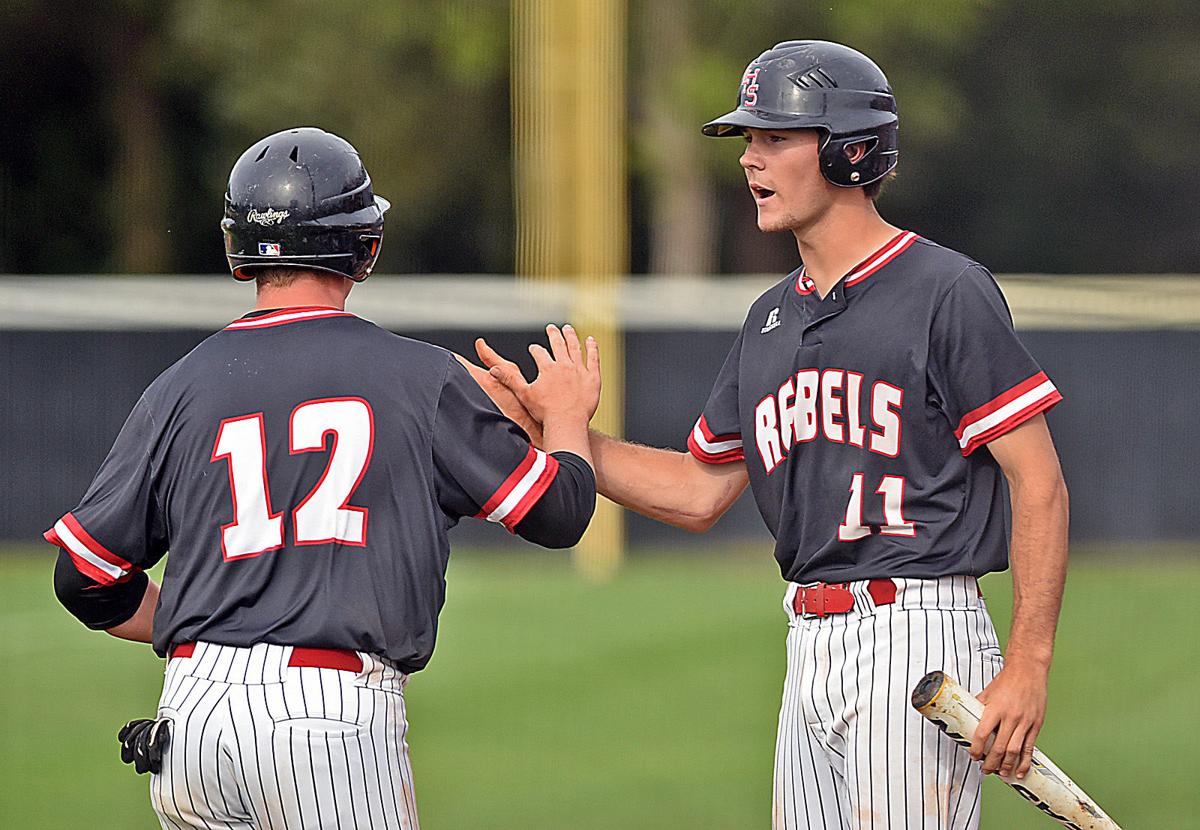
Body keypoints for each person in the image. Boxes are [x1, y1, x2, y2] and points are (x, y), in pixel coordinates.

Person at [473, 41, 1069, 830]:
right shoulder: (770, 320)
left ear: (850, 151)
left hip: (917, 632)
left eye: (775, 138)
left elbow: (1039, 481)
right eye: (749, 140)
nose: (750, 159)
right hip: (809, 641)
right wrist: (557, 431)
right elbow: (698, 490)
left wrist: (1027, 664)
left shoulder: (944, 290)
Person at [45, 126, 600, 830]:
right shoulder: (420, 378)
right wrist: (568, 419)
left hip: (190, 715)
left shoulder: (178, 388)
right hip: (327, 715)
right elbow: (559, 514)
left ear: (237, 247)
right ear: (364, 247)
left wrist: (209, 623)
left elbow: (83, 575)